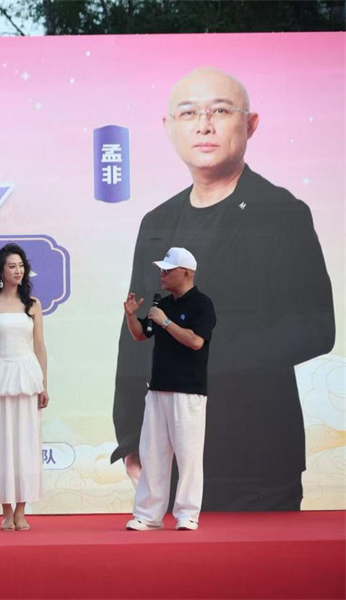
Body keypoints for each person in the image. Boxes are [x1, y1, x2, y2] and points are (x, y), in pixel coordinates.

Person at [112, 68, 335, 511]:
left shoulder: (282, 212)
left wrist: (208, 354)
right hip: (170, 453)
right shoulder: (157, 222)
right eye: (189, 113)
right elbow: (135, 331)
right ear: (169, 127)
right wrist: (132, 437)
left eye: (220, 111)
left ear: (250, 124)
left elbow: (316, 327)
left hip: (257, 457)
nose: (204, 125)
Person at [123, 247, 216, 531]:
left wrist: (165, 321)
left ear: (186, 272)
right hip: (158, 389)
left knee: (188, 455)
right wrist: (131, 316)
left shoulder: (201, 304)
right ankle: (148, 515)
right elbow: (141, 335)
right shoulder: (163, 303)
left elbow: (196, 341)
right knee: (152, 454)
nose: (162, 275)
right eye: (161, 270)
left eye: (168, 270)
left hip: (188, 391)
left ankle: (187, 514)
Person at [0, 244, 49, 531]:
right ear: (0, 271)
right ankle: (6, 511)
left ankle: (21, 510)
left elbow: (39, 346)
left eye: (21, 266)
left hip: (27, 376)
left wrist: (43, 384)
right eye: (12, 266)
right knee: (1, 442)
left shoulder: (33, 303)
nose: (18, 271)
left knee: (26, 443)